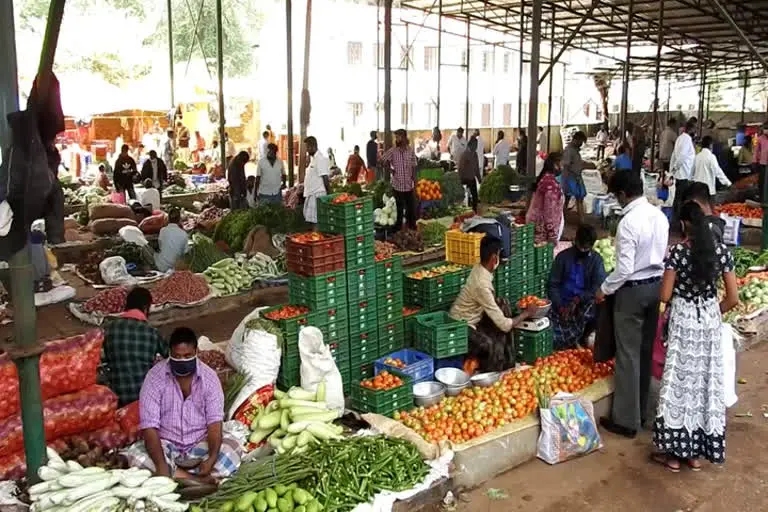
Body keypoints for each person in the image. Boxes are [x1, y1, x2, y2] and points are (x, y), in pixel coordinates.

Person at [652, 201, 738, 472]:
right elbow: (733, 298)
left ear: (682, 225)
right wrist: (711, 310)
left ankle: (674, 455)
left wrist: (683, 305)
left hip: (683, 321)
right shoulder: (721, 252)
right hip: (709, 322)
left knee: (679, 384)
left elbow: (665, 295)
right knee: (703, 386)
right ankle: (695, 455)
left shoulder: (677, 253)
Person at [596, 171, 669, 438]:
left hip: (632, 292)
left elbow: (624, 268)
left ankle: (626, 421)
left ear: (624, 194)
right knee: (645, 351)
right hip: (655, 287)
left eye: (617, 195)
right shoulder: (659, 216)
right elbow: (662, 254)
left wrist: (604, 289)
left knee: (627, 355)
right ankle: (644, 413)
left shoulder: (628, 222)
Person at [130, 327, 241, 480]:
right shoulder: (155, 378)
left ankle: (176, 477)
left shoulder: (209, 379)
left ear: (196, 352)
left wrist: (211, 458)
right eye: (177, 356)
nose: (182, 360)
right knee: (137, 457)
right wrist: (161, 465)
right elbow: (149, 427)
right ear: (169, 353)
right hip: (166, 444)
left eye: (187, 355)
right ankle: (196, 480)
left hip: (199, 443)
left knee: (231, 450)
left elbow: (215, 424)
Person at [449, 236, 536, 371]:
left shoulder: (479, 268)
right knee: (488, 344)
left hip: (473, 317)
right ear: (494, 258)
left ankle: (507, 360)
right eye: (499, 256)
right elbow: (505, 325)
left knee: (503, 304)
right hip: (461, 325)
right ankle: (490, 370)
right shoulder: (481, 284)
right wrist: (526, 314)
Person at [102, 287, 167, 407]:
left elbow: (105, 357)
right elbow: (171, 356)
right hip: (145, 395)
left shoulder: (110, 328)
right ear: (145, 308)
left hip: (118, 396)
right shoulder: (152, 332)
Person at [548, 224, 606, 350]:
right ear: (576, 241)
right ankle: (570, 339)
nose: (583, 251)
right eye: (581, 247)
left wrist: (578, 299)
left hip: (582, 304)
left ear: (591, 246)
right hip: (562, 304)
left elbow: (597, 287)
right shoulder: (563, 258)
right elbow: (553, 285)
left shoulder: (596, 260)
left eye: (587, 248)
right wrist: (560, 306)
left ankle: (583, 336)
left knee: (596, 305)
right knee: (549, 326)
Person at [381, 129, 418, 231]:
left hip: (408, 185)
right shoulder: (393, 151)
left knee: (411, 209)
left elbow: (414, 166)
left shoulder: (410, 151)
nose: (397, 139)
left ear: (405, 137)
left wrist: (415, 183)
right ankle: (398, 230)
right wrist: (390, 170)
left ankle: (412, 228)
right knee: (400, 210)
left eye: (398, 137)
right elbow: (382, 160)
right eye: (396, 137)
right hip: (398, 185)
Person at [526, 153, 564, 244]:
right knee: (542, 253)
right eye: (562, 165)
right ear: (555, 165)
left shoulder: (546, 178)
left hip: (539, 225)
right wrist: (552, 234)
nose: (563, 168)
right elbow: (549, 210)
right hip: (543, 229)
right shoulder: (550, 183)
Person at [670, 120, 696, 222]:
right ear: (691, 129)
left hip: (680, 173)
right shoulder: (686, 139)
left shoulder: (680, 138)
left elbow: (674, 155)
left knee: (678, 197)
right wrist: (675, 167)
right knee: (681, 199)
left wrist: (672, 169)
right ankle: (678, 221)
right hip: (684, 173)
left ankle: (676, 219)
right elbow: (682, 156)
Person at [302, 136, 331, 226]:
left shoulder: (320, 159)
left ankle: (316, 239)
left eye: (308, 147)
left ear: (313, 146)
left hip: (318, 194)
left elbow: (325, 178)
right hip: (311, 194)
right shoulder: (313, 159)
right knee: (311, 221)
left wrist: (329, 196)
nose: (307, 150)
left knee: (316, 221)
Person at [561, 131, 588, 222]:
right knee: (570, 198)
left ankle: (580, 219)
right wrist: (574, 176)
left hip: (575, 177)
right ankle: (579, 219)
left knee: (577, 198)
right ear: (576, 140)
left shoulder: (575, 150)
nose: (581, 144)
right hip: (570, 178)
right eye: (581, 142)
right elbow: (566, 165)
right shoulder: (569, 150)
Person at [154, 208, 189, 272]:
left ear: (168, 219)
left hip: (160, 266)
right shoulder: (184, 234)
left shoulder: (163, 230)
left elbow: (160, 246)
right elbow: (185, 252)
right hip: (174, 267)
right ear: (179, 220)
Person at [458, 137, 482, 213]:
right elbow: (461, 168)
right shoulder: (464, 155)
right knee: (466, 198)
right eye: (475, 145)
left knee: (475, 197)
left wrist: (479, 178)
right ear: (470, 145)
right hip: (465, 179)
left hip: (472, 178)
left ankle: (474, 211)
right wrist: (460, 179)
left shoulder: (475, 154)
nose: (476, 147)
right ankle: (467, 212)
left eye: (476, 145)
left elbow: (476, 167)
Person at [752, 123, 768, 201]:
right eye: (765, 128)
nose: (766, 130)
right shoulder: (760, 139)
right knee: (762, 182)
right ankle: (762, 198)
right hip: (763, 164)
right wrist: (754, 161)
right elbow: (756, 151)